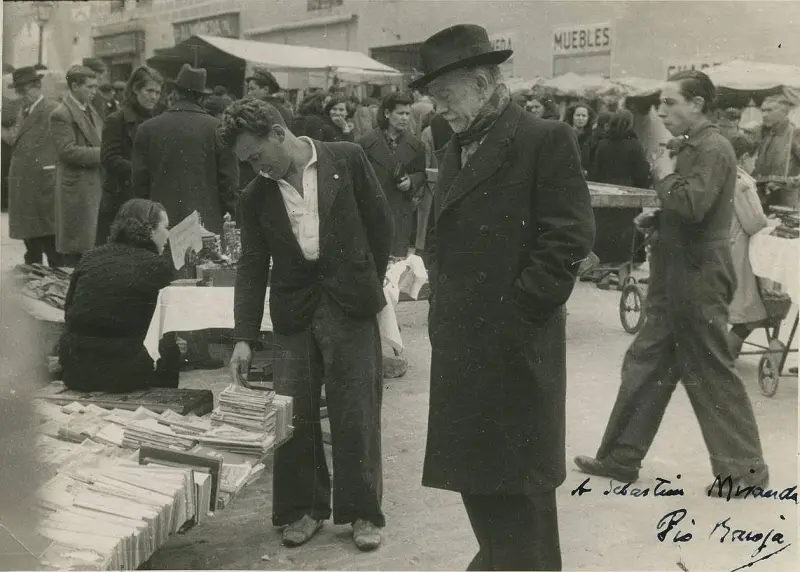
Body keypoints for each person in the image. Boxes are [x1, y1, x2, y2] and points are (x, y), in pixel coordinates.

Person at [413, 24, 595, 570]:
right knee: (478, 478)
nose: (439, 108)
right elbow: (438, 236)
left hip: (514, 344)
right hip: (462, 341)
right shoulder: (454, 146)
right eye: (435, 98)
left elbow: (567, 241)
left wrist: (519, 315)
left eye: (445, 96)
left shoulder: (544, 139)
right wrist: (442, 300)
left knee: (521, 486)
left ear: (484, 80)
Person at [574, 70, 769, 495]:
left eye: (670, 102)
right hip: (675, 273)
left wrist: (662, 172)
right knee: (645, 365)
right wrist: (658, 218)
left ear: (697, 104)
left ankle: (745, 474)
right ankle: (620, 458)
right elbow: (689, 207)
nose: (661, 110)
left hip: (698, 276)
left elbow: (694, 205)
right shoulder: (694, 147)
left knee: (711, 372)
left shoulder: (713, 148)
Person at [221, 98, 392, 552]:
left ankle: (361, 513)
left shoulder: (348, 159)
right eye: (246, 163)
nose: (255, 168)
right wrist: (243, 338)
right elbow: (252, 265)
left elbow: (381, 225)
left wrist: (365, 284)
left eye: (256, 157)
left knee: (356, 410)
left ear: (278, 134)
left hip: (349, 304)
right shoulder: (255, 195)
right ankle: (304, 509)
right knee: (292, 416)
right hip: (294, 311)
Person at [59, 199, 181, 393]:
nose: (168, 235)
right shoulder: (155, 265)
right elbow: (165, 325)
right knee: (169, 345)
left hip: (77, 370)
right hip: (125, 374)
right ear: (150, 230)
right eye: (166, 227)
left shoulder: (90, 257)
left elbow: (68, 310)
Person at [131, 63, 239, 236]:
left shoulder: (147, 129)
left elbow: (139, 184)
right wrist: (231, 215)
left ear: (175, 93)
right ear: (201, 98)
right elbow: (229, 182)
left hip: (160, 225)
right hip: (206, 224)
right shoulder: (217, 129)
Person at [97, 65, 164, 246]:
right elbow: (109, 158)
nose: (154, 97)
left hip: (146, 199)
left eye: (158, 92)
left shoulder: (156, 121)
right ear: (135, 89)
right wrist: (143, 170)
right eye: (149, 91)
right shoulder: (116, 120)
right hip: (120, 199)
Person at [358, 92, 426, 258]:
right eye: (400, 113)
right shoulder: (365, 143)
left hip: (400, 211)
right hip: (372, 213)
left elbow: (420, 173)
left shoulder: (416, 145)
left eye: (408, 114)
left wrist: (411, 182)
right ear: (387, 114)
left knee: (395, 266)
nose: (405, 118)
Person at [7, 66, 62, 266]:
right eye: (18, 91)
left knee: (50, 241)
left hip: (43, 184)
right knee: (31, 244)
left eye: (25, 90)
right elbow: (16, 139)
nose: (21, 95)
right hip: (27, 186)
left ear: (37, 86)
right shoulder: (24, 111)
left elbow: (63, 145)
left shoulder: (52, 109)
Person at [50, 65, 103, 267]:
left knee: (91, 243)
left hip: (92, 183)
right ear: (74, 86)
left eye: (95, 87)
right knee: (78, 247)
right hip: (77, 188)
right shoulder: (61, 114)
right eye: (90, 87)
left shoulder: (90, 110)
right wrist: (103, 154)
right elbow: (67, 151)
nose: (94, 91)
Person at [726, 132, 769, 358]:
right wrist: (770, 222)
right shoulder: (742, 183)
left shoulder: (723, 176)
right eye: (754, 158)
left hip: (726, 246)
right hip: (739, 251)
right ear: (744, 158)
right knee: (748, 313)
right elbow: (754, 223)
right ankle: (726, 353)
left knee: (733, 308)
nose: (755, 163)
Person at [753, 94, 800, 207]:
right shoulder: (763, 133)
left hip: (784, 199)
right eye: (763, 111)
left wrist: (790, 183)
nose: (764, 115)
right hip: (761, 196)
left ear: (784, 112)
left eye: (769, 110)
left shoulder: (794, 133)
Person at [588, 109, 652, 188]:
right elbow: (641, 173)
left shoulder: (603, 143)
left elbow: (596, 171)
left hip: (605, 188)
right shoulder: (635, 144)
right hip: (628, 189)